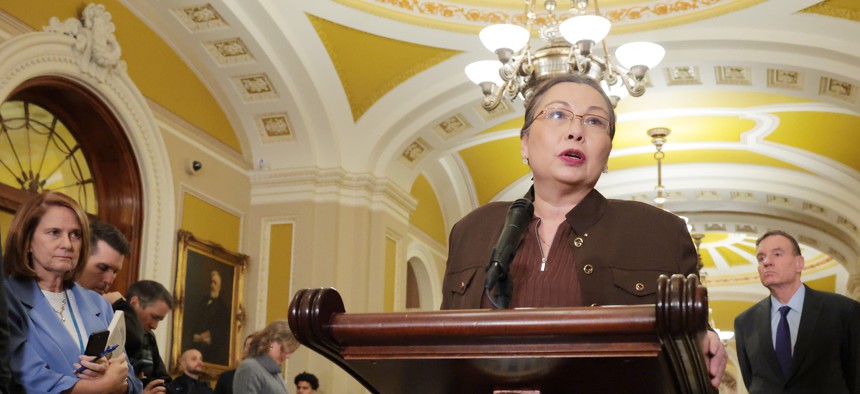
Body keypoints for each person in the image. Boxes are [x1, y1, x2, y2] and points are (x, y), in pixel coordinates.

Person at [439, 74, 726, 387]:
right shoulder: (471, 230)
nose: (576, 131)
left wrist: (705, 338)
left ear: (607, 154)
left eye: (594, 121)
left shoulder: (661, 232)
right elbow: (442, 347)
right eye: (558, 115)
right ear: (524, 143)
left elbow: (689, 340)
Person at [2, 191, 142, 393]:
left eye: (75, 234)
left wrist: (120, 382)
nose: (67, 244)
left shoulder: (99, 304)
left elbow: (132, 382)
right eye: (54, 232)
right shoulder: (7, 298)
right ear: (28, 241)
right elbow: (30, 379)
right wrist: (102, 386)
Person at [734, 230, 860, 393]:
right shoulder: (745, 322)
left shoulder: (843, 311)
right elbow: (752, 381)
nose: (767, 262)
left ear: (799, 263)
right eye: (761, 258)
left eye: (777, 254)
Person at [109, 280, 173, 393]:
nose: (155, 326)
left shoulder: (149, 336)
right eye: (154, 317)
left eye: (159, 320)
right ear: (134, 303)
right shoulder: (110, 327)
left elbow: (164, 379)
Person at [233, 320, 298, 394]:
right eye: (284, 349)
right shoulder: (249, 368)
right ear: (271, 341)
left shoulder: (275, 372)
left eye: (290, 352)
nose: (287, 356)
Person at [186, 270, 230, 365]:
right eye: (211, 282)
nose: (212, 285)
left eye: (215, 283)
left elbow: (222, 329)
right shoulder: (202, 302)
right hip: (196, 345)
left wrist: (209, 334)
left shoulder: (223, 307)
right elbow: (194, 321)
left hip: (212, 350)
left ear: (219, 286)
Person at [77, 220, 129, 295]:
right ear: (80, 258)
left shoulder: (106, 305)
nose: (109, 281)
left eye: (115, 271)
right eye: (103, 268)